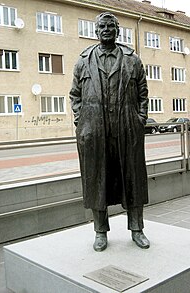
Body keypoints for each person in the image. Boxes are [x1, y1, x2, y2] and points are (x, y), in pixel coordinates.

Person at [70, 12, 150, 252]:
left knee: (133, 179)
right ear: (96, 31)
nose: (106, 30)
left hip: (127, 128)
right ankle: (100, 231)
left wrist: (140, 119)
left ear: (117, 30)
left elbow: (143, 93)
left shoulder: (131, 59)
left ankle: (137, 229)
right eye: (102, 26)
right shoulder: (84, 60)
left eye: (110, 26)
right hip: (95, 130)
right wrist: (81, 121)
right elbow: (75, 95)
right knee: (97, 181)